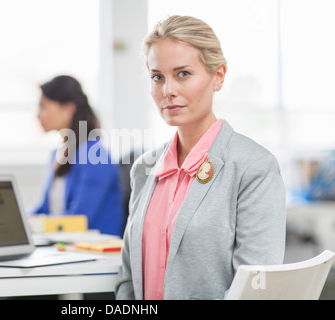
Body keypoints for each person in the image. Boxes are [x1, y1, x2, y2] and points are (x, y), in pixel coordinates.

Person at [115, 15, 286, 300]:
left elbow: (257, 290)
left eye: (183, 73)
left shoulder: (254, 169)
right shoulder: (144, 170)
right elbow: (128, 279)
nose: (168, 90)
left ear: (218, 76)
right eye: (158, 77)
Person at [29, 75, 124, 237]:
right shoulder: (57, 154)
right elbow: (43, 210)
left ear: (68, 109)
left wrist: (36, 224)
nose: (38, 115)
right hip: (64, 246)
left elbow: (80, 220)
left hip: (95, 250)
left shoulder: (96, 155)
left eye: (43, 107)